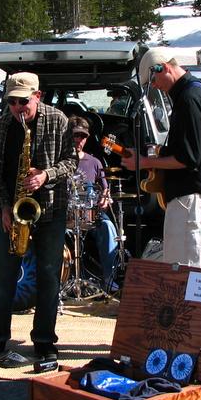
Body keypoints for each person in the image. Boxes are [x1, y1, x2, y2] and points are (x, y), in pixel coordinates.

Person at [0, 72, 77, 363]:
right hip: (13, 210)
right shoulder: (1, 127)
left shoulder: (58, 120)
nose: (18, 108)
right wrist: (5, 207)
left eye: (23, 101)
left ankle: (44, 342)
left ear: (38, 96)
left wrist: (46, 175)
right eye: (12, 102)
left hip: (50, 208)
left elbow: (71, 161)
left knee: (48, 277)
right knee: (3, 277)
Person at [122, 53, 201, 267]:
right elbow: (188, 150)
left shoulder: (189, 98)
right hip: (189, 194)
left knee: (183, 267)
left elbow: (188, 158)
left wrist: (145, 162)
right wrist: (159, 152)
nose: (154, 86)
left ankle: (188, 302)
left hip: (191, 194)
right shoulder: (190, 94)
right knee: (178, 264)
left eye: (153, 80)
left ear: (164, 68)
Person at [69, 116, 121, 291]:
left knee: (108, 227)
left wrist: (105, 198)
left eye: (82, 137)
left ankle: (108, 278)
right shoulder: (60, 162)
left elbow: (105, 190)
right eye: (75, 135)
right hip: (66, 213)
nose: (79, 140)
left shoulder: (94, 162)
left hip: (90, 213)